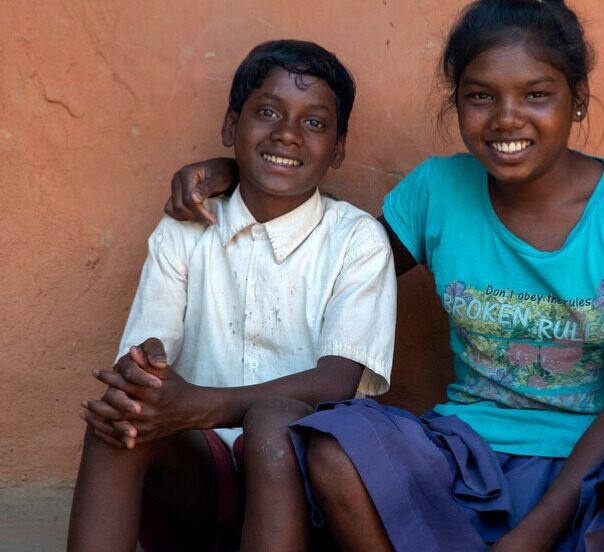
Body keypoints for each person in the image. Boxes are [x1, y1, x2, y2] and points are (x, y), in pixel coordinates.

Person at [164, 0, 604, 552]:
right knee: (333, 445)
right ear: (457, 103)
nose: (506, 118)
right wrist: (241, 175)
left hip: (599, 466)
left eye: (538, 95)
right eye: (480, 96)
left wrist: (528, 540)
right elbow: (329, 260)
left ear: (578, 101)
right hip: (468, 461)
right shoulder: (437, 192)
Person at [67, 39, 396, 552]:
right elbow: (148, 354)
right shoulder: (184, 233)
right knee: (123, 419)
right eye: (267, 111)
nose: (287, 133)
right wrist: (144, 377)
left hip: (307, 486)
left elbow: (337, 381)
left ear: (338, 149)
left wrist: (196, 404)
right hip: (205, 474)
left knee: (273, 423)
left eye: (314, 122)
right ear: (229, 127)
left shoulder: (356, 240)